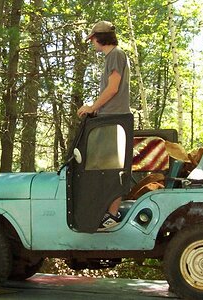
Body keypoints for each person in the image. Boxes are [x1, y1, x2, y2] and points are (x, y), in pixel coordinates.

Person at [77, 21, 130, 230]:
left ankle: (111, 215)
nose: (91, 43)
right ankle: (105, 212)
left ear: (99, 38)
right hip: (108, 116)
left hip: (114, 119)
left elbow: (113, 88)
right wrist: (97, 109)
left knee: (109, 168)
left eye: (92, 39)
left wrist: (93, 106)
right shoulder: (112, 56)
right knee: (102, 167)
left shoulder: (115, 54)